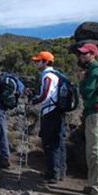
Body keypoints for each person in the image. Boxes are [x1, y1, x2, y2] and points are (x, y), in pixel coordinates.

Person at [29, 51, 66, 184]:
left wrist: (35, 101)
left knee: (50, 143)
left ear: (45, 62)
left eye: (38, 61)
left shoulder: (48, 76)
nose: (35, 63)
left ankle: (53, 173)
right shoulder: (57, 75)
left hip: (51, 112)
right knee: (58, 142)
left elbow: (46, 95)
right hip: (58, 111)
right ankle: (60, 171)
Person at [77, 43, 98, 195]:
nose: (82, 56)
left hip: (96, 114)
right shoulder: (94, 71)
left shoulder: (95, 72)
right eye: (81, 53)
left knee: (96, 150)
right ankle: (95, 183)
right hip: (97, 114)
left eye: (85, 53)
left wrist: (81, 80)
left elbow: (87, 93)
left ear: (93, 54)